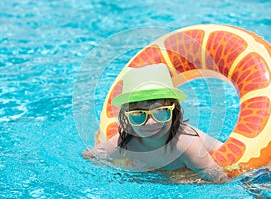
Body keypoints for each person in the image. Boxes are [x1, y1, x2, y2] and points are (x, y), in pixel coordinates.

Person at [83, 63, 228, 183]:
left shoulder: (186, 145)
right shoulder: (126, 143)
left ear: (174, 111)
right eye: (139, 115)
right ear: (126, 118)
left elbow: (220, 179)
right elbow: (90, 156)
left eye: (160, 112)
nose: (151, 122)